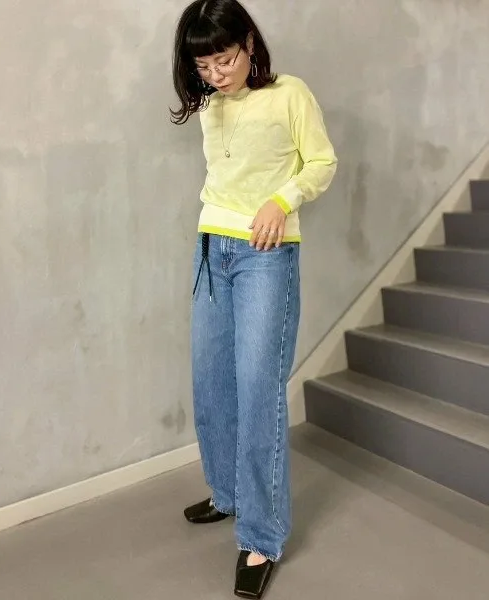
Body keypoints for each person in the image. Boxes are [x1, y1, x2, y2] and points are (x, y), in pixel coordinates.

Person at [171, 1, 337, 597]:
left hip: (266, 255)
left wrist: (281, 200)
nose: (215, 74)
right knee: (212, 383)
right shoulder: (209, 104)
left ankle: (261, 537)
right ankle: (228, 494)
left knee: (258, 392)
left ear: (248, 42)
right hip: (211, 250)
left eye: (224, 59)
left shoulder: (291, 93)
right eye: (203, 66)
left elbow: (322, 162)